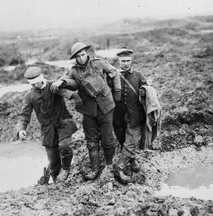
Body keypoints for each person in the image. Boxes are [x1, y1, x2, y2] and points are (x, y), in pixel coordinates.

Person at [51, 42, 121, 181]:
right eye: (78, 56)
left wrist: (117, 92)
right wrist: (67, 89)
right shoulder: (74, 71)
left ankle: (108, 166)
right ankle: (94, 169)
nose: (81, 58)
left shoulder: (99, 63)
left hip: (106, 107)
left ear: (87, 53)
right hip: (88, 110)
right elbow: (63, 83)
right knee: (91, 141)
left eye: (83, 55)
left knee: (107, 139)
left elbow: (115, 73)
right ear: (75, 58)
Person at [16, 66, 77, 184]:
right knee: (53, 161)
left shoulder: (54, 86)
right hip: (47, 130)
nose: (34, 86)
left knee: (65, 146)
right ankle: (55, 182)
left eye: (36, 83)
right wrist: (20, 129)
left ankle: (65, 169)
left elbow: (73, 84)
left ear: (41, 78)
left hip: (62, 123)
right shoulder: (29, 96)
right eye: (31, 84)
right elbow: (24, 115)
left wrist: (62, 81)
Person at [113, 49, 149, 184]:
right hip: (118, 116)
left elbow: (147, 88)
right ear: (118, 62)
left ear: (131, 61)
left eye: (128, 61)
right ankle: (132, 160)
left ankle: (119, 167)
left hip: (134, 115)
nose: (126, 63)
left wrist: (144, 90)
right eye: (123, 61)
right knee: (124, 141)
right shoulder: (113, 75)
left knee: (131, 140)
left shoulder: (138, 75)